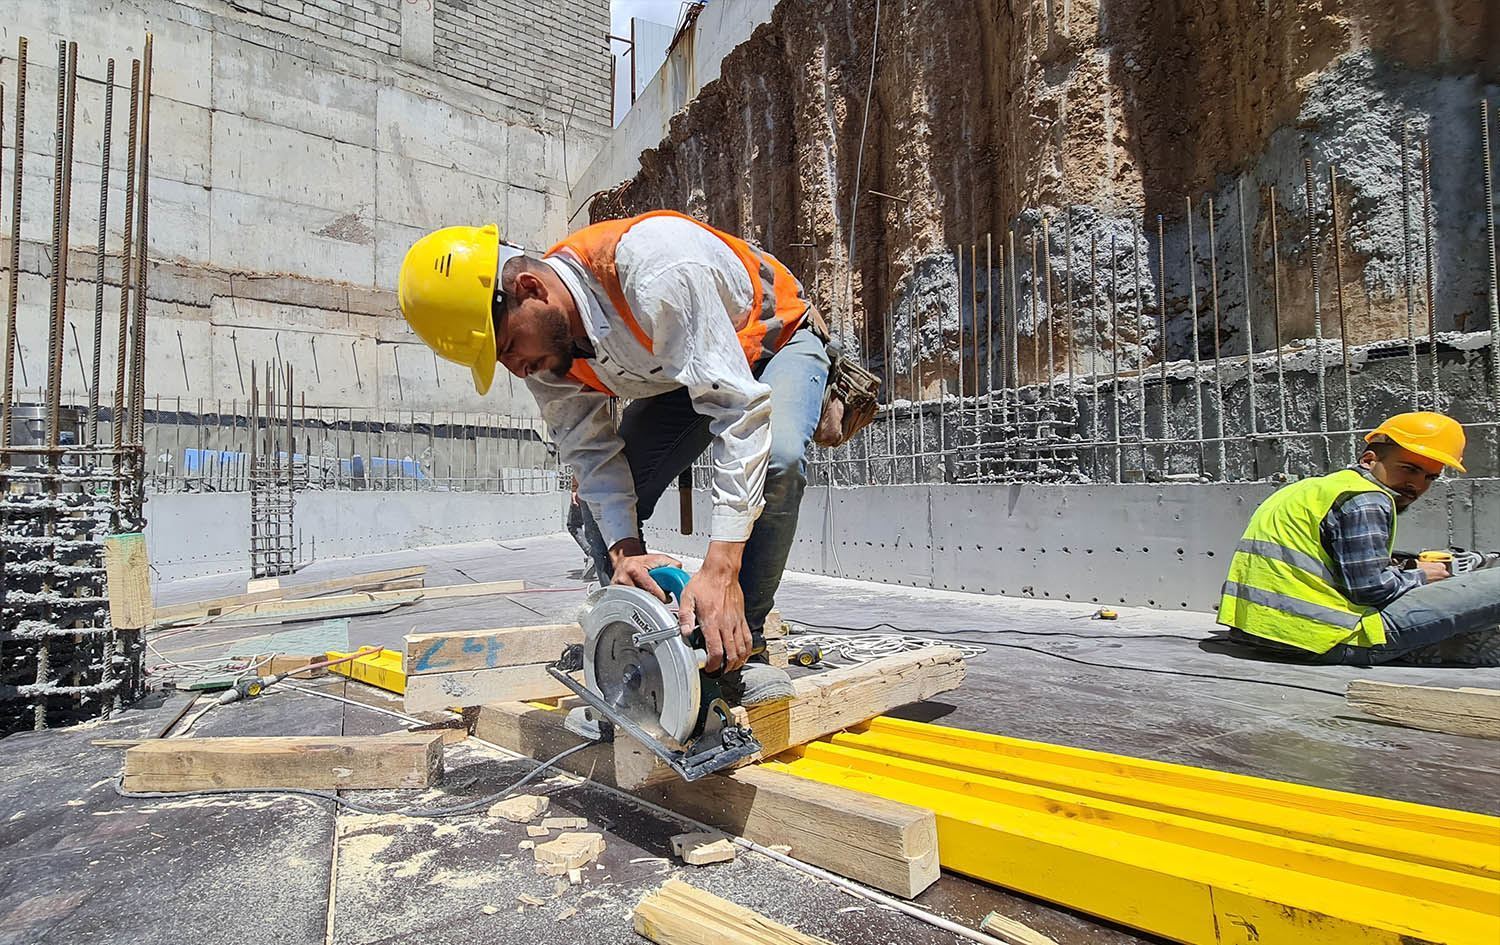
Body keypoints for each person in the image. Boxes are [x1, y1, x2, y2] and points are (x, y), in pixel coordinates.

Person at [396, 211, 835, 704]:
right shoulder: (547, 355)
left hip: (768, 340)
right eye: (500, 361)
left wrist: (720, 571)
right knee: (593, 514)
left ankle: (737, 650)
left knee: (776, 460)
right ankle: (637, 642)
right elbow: (592, 456)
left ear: (529, 288)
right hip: (678, 369)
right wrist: (626, 555)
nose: (517, 369)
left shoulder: (652, 269)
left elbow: (738, 410)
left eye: (511, 346)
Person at [1218, 411, 1499, 666]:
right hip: (1327, 640)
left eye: (1430, 477)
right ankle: (1416, 646)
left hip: (1260, 633)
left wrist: (1406, 566)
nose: (1418, 485)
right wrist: (1423, 576)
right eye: (1409, 469)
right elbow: (1369, 591)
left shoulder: (1309, 489)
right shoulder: (1367, 499)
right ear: (1369, 459)